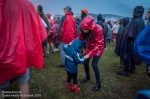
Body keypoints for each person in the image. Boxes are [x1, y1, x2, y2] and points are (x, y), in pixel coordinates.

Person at [0, 0, 47, 99]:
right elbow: (40, 28)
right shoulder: (28, 5)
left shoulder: (2, 3)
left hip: (5, 52)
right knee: (23, 82)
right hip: (24, 51)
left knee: (2, 86)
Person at [78, 15, 104, 91]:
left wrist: (89, 55)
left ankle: (98, 83)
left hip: (98, 48)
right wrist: (72, 42)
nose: (83, 30)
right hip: (90, 47)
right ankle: (87, 76)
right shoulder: (83, 28)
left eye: (84, 29)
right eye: (82, 28)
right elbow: (79, 37)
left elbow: (99, 44)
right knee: (85, 62)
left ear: (89, 27)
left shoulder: (98, 29)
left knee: (94, 65)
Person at [118, 6, 145, 77]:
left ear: (136, 12)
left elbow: (130, 33)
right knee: (134, 55)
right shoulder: (142, 20)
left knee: (129, 55)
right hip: (137, 42)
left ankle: (126, 71)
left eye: (133, 11)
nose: (132, 13)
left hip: (131, 41)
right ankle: (133, 69)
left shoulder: (134, 21)